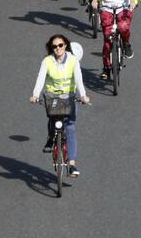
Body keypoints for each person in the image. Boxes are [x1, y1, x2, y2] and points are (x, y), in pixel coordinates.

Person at [29, 34, 89, 177]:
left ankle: (72, 165)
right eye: (54, 46)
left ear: (66, 45)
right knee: (54, 119)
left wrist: (83, 95)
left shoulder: (73, 61)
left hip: (69, 97)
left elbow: (79, 79)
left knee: (70, 128)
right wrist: (35, 95)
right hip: (52, 96)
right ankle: (51, 138)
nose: (58, 48)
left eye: (60, 45)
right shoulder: (47, 61)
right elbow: (41, 78)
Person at [92, 0, 137, 80]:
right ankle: (106, 68)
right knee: (107, 39)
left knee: (123, 27)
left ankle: (126, 44)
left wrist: (132, 1)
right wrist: (95, 1)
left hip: (123, 8)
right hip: (107, 8)